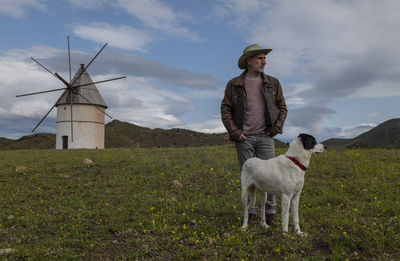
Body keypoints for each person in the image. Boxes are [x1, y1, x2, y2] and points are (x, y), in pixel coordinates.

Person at [221, 44, 288, 226]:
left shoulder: (273, 83)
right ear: (249, 61)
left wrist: (276, 129)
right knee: (248, 177)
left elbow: (282, 108)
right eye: (260, 58)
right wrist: (235, 132)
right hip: (244, 138)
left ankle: (270, 213)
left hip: (266, 137)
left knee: (271, 175)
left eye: (265, 58)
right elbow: (225, 109)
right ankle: (250, 214)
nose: (264, 62)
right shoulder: (234, 84)